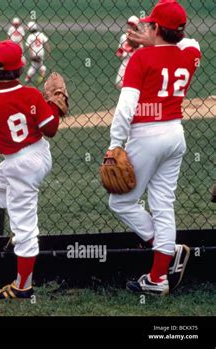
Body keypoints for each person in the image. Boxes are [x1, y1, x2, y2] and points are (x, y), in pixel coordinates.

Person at [106, 1, 201, 295]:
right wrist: (161, 36)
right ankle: (158, 278)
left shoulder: (141, 58)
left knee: (120, 202)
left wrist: (114, 145)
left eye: (151, 25)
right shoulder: (189, 54)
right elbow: (191, 40)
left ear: (157, 28)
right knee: (162, 205)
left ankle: (167, 252)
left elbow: (125, 109)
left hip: (146, 135)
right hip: (175, 134)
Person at [0, 41, 66, 299]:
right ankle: (17, 228)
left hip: (20, 165)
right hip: (38, 153)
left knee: (27, 230)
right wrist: (54, 107)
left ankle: (23, 286)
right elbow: (51, 130)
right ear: (20, 68)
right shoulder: (32, 95)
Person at [115, 16, 140, 88]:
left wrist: (133, 46)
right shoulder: (123, 37)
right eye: (128, 25)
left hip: (136, 62)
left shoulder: (140, 37)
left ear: (136, 27)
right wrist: (123, 49)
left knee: (134, 83)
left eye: (132, 25)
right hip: (126, 60)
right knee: (119, 82)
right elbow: (119, 54)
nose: (129, 27)